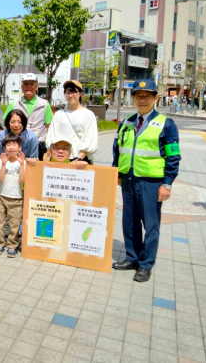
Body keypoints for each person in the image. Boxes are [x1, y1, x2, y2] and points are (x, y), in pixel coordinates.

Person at [112, 79, 180, 282]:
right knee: (130, 222)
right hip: (129, 180)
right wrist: (117, 173)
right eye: (138, 96)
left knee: (150, 225)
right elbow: (117, 150)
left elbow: (173, 157)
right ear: (132, 98)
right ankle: (132, 257)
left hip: (151, 182)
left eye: (147, 96)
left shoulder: (166, 125)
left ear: (155, 98)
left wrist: (167, 184)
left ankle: (146, 264)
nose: (142, 100)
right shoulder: (127, 122)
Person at [46, 80, 98, 163]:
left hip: (80, 161)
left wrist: (79, 158)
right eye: (67, 93)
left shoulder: (88, 115)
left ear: (80, 93)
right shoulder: (59, 114)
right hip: (60, 158)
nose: (70, 95)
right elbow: (52, 136)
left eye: (74, 92)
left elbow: (90, 138)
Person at [3, 73, 53, 160]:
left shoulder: (44, 104)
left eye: (32, 84)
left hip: (38, 144)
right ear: (22, 87)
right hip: (16, 144)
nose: (28, 86)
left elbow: (49, 128)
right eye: (26, 84)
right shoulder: (14, 103)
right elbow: (6, 125)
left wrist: (50, 146)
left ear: (37, 87)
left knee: (34, 172)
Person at [0, 133, 26, 258]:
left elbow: (22, 180)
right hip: (2, 196)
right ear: (4, 148)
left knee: (15, 223)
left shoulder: (23, 163)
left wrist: (22, 165)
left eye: (14, 144)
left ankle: (12, 245)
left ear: (20, 147)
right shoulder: (2, 161)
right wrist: (3, 164)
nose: (11, 147)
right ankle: (0, 243)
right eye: (8, 145)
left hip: (16, 197)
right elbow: (1, 179)